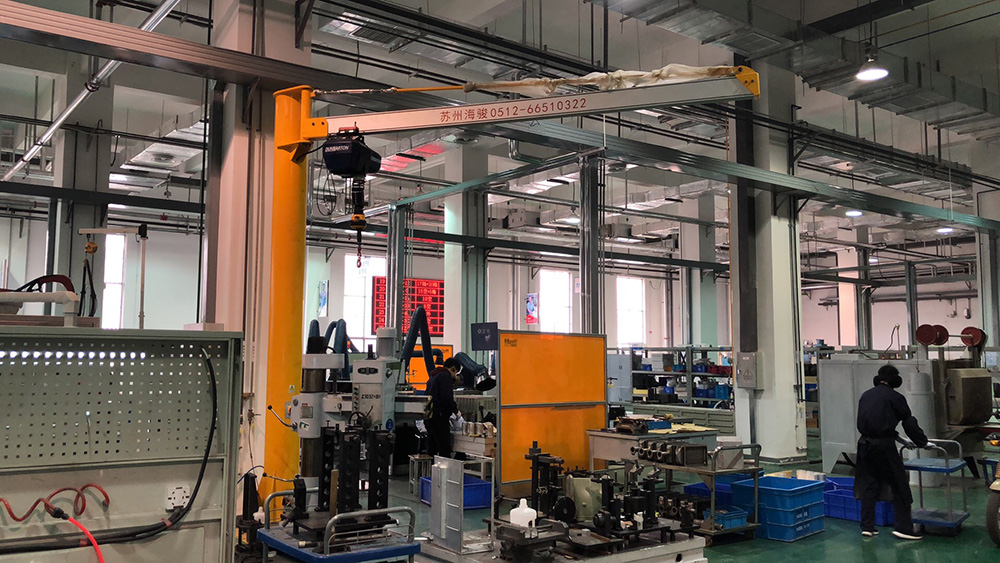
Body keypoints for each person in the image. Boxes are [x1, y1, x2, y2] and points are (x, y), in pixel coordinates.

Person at [855, 364, 929, 540]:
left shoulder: (866, 395)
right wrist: (922, 442)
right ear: (895, 380)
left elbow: (874, 422)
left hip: (864, 445)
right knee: (899, 486)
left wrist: (896, 436)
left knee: (869, 485)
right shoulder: (896, 397)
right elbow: (909, 422)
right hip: (884, 447)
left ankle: (867, 527)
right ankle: (903, 528)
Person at [424, 357, 462, 459]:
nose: (455, 376)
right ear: (453, 369)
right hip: (439, 418)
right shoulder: (445, 376)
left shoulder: (433, 376)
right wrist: (455, 410)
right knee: (444, 448)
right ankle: (445, 469)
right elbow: (446, 398)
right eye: (456, 373)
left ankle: (430, 468)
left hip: (429, 417)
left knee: (432, 449)